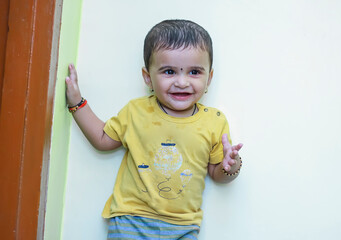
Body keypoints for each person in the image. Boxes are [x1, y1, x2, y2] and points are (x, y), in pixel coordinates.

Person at [66, 19, 243, 240]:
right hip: (131, 220)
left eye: (194, 72)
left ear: (209, 78)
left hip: (184, 226)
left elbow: (218, 175)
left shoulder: (215, 122)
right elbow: (103, 139)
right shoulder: (136, 111)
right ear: (148, 77)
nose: (182, 82)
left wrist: (231, 165)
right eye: (169, 71)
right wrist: (77, 103)